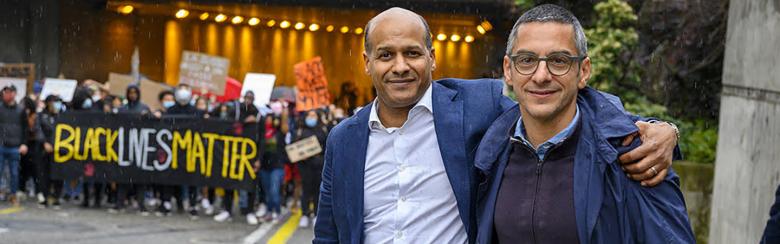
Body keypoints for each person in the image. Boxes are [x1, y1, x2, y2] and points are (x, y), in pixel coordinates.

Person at [314, 7, 680, 243]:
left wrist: (656, 129)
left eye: (412, 53)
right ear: (366, 62)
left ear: (432, 58)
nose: (399, 66)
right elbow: (329, 235)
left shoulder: (475, 108)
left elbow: (553, 102)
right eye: (385, 55)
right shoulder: (343, 139)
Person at [474, 5, 694, 243]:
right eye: (527, 60)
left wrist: (668, 132)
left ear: (583, 71)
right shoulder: (488, 152)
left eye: (559, 61)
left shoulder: (635, 157)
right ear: (508, 70)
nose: (541, 76)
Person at [293, 110, 328, 228]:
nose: (312, 118)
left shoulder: (323, 129)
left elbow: (327, 146)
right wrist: (303, 154)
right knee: (306, 190)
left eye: (314, 115)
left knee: (318, 190)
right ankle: (305, 214)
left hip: (319, 165)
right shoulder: (300, 130)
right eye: (309, 115)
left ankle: (317, 214)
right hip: (305, 165)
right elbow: (294, 147)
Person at [0, 85, 29, 206]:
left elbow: (25, 128)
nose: (7, 95)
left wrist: (24, 144)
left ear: (14, 94)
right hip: (1, 144)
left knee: (14, 172)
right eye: (5, 92)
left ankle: (13, 194)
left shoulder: (21, 110)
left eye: (9, 92)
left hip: (15, 146)